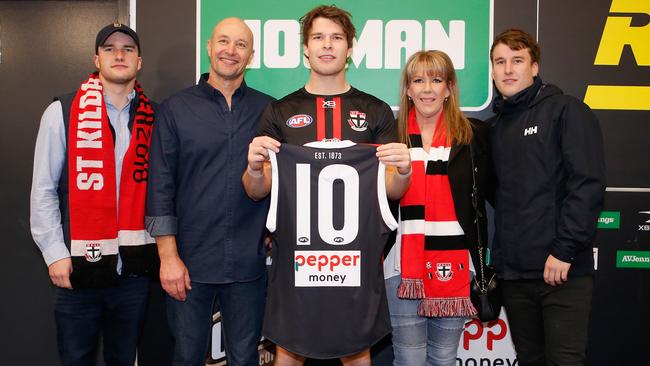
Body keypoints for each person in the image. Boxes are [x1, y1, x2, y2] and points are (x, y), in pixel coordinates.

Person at [243, 5, 411, 366]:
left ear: (350, 48)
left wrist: (405, 171)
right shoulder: (280, 111)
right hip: (296, 256)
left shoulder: (377, 110)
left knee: (356, 351)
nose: (327, 45)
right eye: (318, 37)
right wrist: (255, 167)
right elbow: (257, 189)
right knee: (289, 350)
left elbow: (392, 190)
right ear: (306, 48)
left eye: (336, 37)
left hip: (356, 257)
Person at [145, 18, 274, 366]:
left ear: (251, 55)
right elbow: (159, 186)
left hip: (248, 262)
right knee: (187, 356)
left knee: (246, 357)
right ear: (209, 47)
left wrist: (274, 232)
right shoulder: (174, 109)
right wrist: (168, 258)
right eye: (223, 42)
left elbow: (285, 181)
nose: (230, 51)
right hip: (189, 264)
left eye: (241, 45)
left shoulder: (269, 110)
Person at [30, 23, 157, 365]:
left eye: (128, 49)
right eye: (109, 48)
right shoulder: (62, 112)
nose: (119, 54)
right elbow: (42, 189)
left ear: (139, 61)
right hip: (77, 269)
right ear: (96, 59)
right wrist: (54, 254)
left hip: (132, 272)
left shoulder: (154, 118)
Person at [487, 28, 606, 366]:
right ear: (493, 71)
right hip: (515, 276)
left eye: (518, 60)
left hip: (562, 271)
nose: (508, 69)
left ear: (535, 67)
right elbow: (501, 196)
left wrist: (563, 250)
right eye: (500, 62)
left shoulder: (567, 111)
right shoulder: (496, 129)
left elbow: (587, 185)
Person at [382, 50, 492, 366]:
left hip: (457, 265)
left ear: (448, 88)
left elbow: (489, 196)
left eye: (436, 80)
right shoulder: (391, 135)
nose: (427, 88)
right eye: (418, 80)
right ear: (407, 89)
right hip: (401, 266)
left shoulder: (472, 136)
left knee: (444, 358)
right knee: (409, 359)